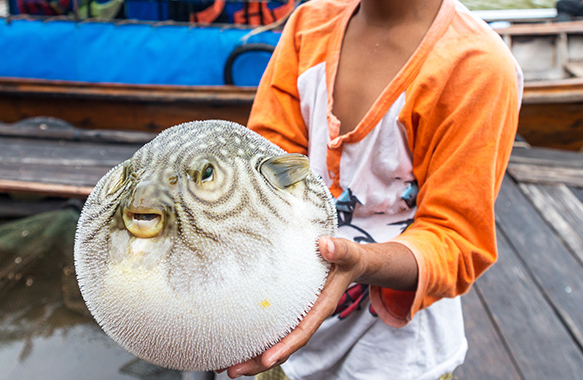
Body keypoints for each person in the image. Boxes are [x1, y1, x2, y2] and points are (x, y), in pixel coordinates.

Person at [220, 0, 522, 378]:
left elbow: (454, 240)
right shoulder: (307, 26)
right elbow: (263, 169)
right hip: (277, 320)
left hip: (396, 356)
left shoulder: (476, 65)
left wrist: (362, 262)